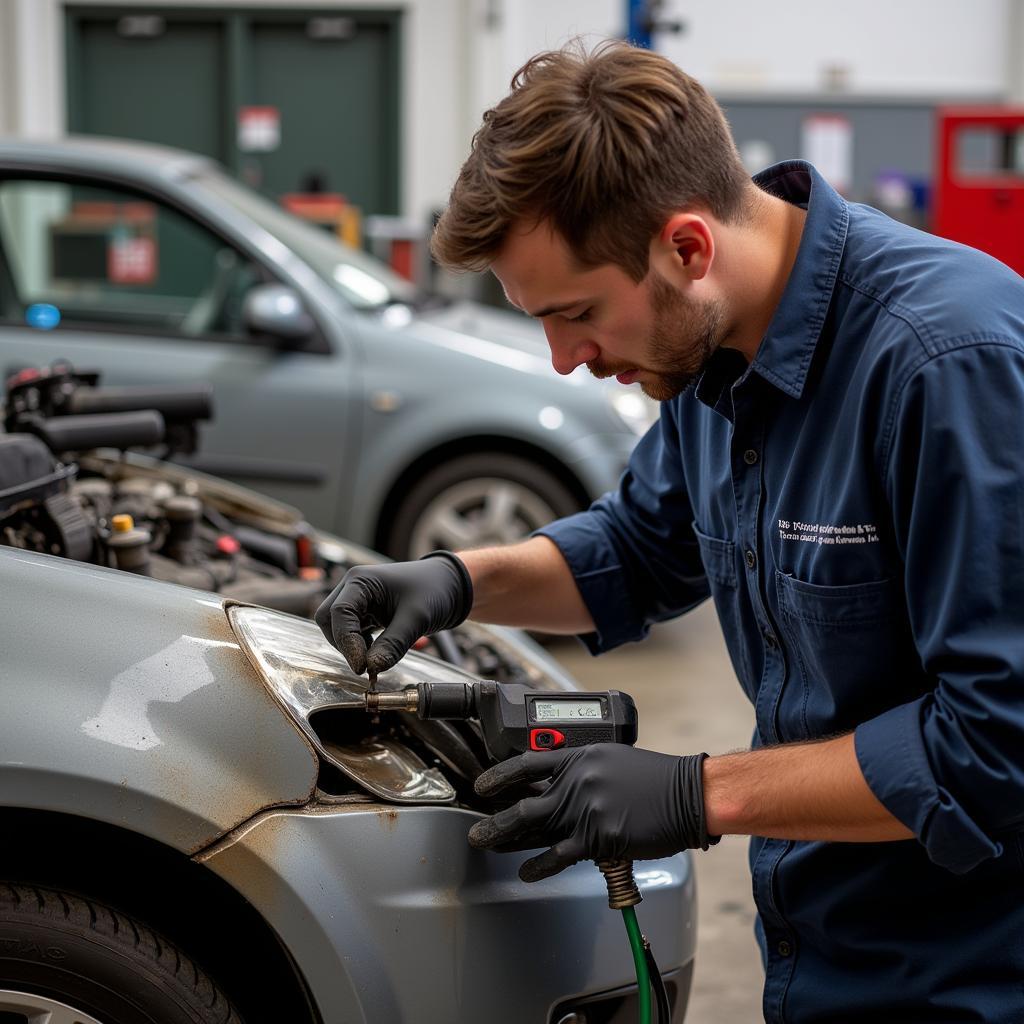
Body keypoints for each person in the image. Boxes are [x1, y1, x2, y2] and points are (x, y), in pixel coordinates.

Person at [315, 40, 1024, 1022]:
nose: (565, 360)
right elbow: (640, 548)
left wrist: (696, 793)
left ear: (686, 246)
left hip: (970, 975)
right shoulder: (711, 349)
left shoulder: (947, 365)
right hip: (821, 948)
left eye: (577, 314)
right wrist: (453, 579)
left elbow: (994, 746)